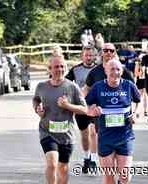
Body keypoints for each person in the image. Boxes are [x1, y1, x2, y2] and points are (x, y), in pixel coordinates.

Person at [33, 56, 87, 184]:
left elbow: (84, 109)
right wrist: (37, 109)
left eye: (62, 66)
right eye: (56, 67)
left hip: (66, 135)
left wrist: (68, 106)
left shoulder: (72, 87)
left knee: (62, 168)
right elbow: (36, 99)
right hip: (47, 132)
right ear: (50, 69)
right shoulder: (41, 86)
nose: (60, 69)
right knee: (52, 164)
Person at [86, 59, 140, 184]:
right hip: (105, 138)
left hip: (125, 137)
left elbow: (138, 101)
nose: (115, 72)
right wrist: (92, 111)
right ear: (105, 71)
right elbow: (86, 106)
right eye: (112, 69)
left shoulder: (128, 85)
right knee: (109, 177)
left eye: (118, 69)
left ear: (122, 71)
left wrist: (135, 113)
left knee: (125, 176)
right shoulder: (98, 87)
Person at [82, 43, 134, 166]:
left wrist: (133, 112)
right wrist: (90, 105)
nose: (108, 53)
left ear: (114, 52)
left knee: (119, 141)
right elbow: (86, 89)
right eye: (106, 50)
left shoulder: (123, 71)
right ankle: (94, 160)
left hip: (120, 113)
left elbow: (132, 90)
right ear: (102, 53)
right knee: (95, 133)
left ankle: (121, 169)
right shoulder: (95, 72)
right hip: (101, 113)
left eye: (111, 50)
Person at [65, 46, 97, 173]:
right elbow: (65, 83)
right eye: (86, 55)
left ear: (95, 56)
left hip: (95, 106)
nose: (89, 58)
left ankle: (94, 160)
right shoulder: (75, 69)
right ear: (82, 56)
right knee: (84, 135)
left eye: (91, 55)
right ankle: (87, 158)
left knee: (93, 132)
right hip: (80, 107)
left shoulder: (99, 69)